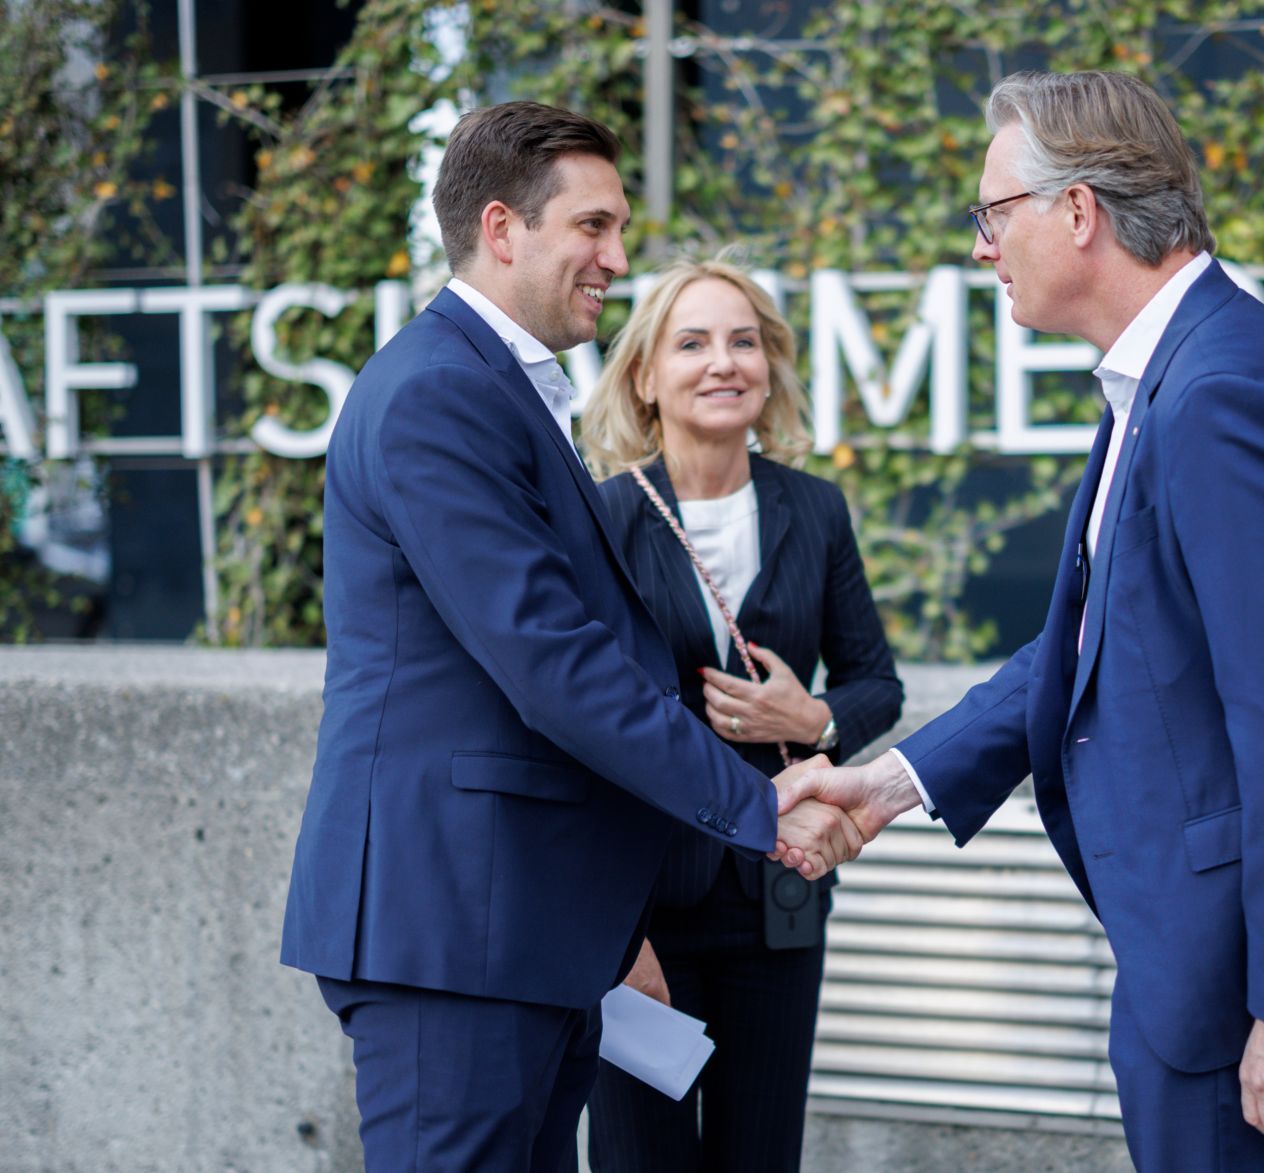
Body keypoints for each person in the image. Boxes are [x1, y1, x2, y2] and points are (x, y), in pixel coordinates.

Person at [775, 70, 1264, 1171]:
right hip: (1200, 947)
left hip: (1235, 968)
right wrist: (890, 784)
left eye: (993, 214)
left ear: (1078, 211)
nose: (981, 249)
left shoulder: (1221, 394)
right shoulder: (1176, 375)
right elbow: (1094, 642)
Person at [278, 102, 861, 1173]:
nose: (617, 258)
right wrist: (757, 802)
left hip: (520, 931)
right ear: (502, 230)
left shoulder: (492, 387)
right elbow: (553, 661)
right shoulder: (438, 393)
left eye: (618, 229)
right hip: (454, 933)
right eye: (593, 226)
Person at [578, 257, 903, 1172]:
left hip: (780, 896)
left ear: (769, 365)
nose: (724, 362)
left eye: (744, 341)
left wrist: (813, 715)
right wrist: (608, 922)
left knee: (762, 1154)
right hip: (642, 909)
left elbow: (877, 682)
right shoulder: (602, 519)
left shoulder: (816, 508)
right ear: (645, 375)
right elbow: (579, 721)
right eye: (692, 343)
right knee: (639, 1159)